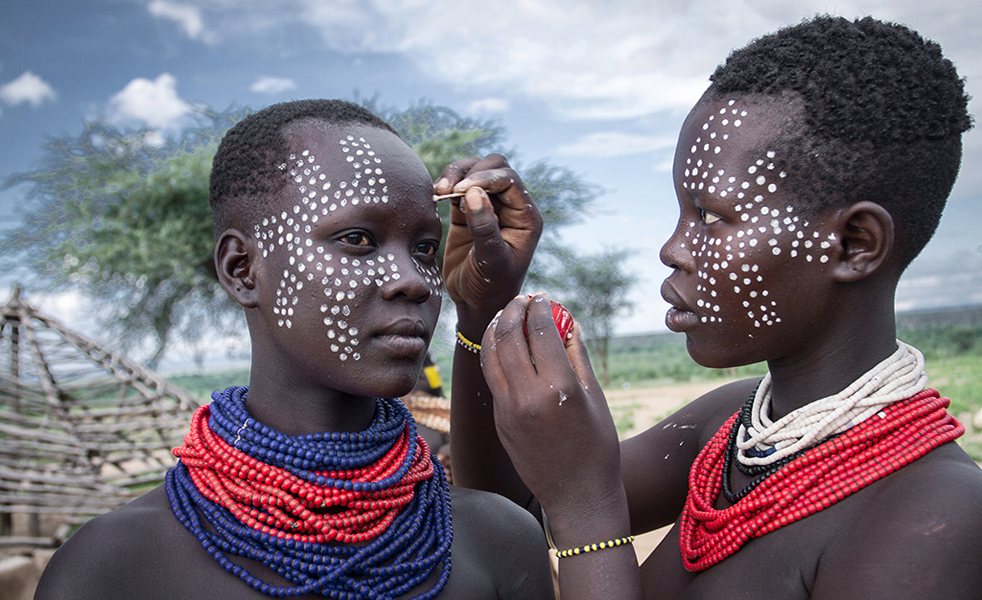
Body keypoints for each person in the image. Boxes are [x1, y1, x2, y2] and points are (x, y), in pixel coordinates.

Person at [439, 15, 982, 600]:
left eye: (711, 216)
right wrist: (480, 310)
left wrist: (588, 507)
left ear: (854, 244)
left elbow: (570, 505)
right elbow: (506, 506)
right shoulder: (731, 428)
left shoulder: (936, 518)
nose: (672, 249)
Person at [34, 100, 555, 600]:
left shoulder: (500, 541)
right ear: (242, 270)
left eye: (423, 248)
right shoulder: (111, 569)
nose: (413, 280)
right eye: (356, 239)